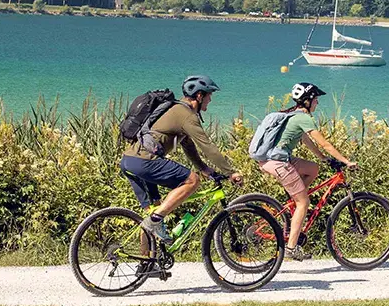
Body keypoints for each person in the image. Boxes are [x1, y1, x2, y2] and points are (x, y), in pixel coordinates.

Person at [123, 75, 244, 246]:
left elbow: (188, 145)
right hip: (144, 161)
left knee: (154, 213)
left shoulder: (175, 110)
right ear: (199, 96)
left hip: (130, 161)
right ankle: (155, 220)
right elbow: (207, 146)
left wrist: (203, 168)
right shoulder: (186, 114)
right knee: (192, 180)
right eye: (209, 95)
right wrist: (230, 172)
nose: (210, 99)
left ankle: (147, 264)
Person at [260, 82, 358, 261]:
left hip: (274, 159)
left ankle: (293, 199)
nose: (317, 103)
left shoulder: (293, 115)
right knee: (303, 203)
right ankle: (291, 248)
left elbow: (306, 140)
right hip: (279, 162)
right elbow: (325, 143)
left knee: (313, 169)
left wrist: (322, 158)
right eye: (316, 100)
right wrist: (346, 161)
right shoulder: (304, 118)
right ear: (308, 101)